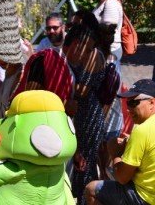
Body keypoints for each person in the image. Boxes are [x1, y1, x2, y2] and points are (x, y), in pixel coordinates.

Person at [85, 79, 155, 205]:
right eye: (128, 103)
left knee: (91, 189)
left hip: (145, 198)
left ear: (151, 102)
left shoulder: (141, 130)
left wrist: (115, 153)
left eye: (134, 102)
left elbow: (122, 178)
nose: (128, 109)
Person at [85, 0, 124, 179]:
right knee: (101, 120)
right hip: (102, 65)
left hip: (108, 66)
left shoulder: (110, 3)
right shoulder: (101, 5)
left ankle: (111, 175)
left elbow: (107, 32)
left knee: (109, 118)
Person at [63, 22, 107, 205]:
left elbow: (81, 91)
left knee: (86, 166)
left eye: (90, 46)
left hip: (89, 117)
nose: (87, 50)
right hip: (79, 116)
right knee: (79, 166)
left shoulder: (94, 56)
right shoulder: (77, 56)